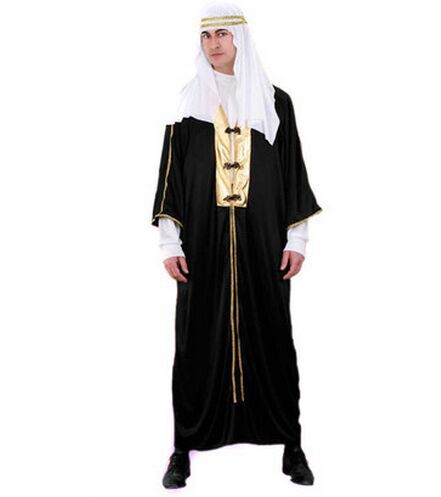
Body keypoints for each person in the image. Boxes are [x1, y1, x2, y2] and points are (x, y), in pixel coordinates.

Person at [151, 1, 323, 488]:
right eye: (207, 36)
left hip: (262, 239)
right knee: (195, 337)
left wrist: (297, 236)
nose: (214, 44)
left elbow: (291, 169)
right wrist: (170, 243)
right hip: (202, 240)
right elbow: (171, 176)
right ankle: (183, 447)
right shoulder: (187, 105)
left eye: (223, 34)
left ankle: (290, 442)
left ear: (240, 39)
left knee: (272, 332)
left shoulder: (275, 101)